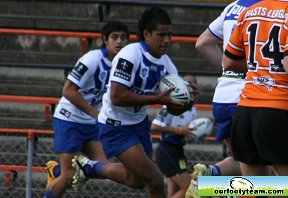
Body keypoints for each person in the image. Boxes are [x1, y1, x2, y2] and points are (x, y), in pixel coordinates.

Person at [71, 6, 199, 198]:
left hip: (139, 125)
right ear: (146, 34)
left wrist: (188, 100)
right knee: (156, 180)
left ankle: (89, 167)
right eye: (161, 35)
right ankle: (89, 167)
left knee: (137, 181)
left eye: (170, 35)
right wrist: (157, 98)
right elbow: (117, 97)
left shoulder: (166, 64)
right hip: (116, 127)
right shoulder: (130, 55)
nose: (167, 40)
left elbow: (174, 110)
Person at [44, 21, 129, 198]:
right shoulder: (92, 59)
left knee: (105, 166)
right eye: (115, 37)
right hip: (70, 119)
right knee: (69, 177)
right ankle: (60, 172)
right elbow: (67, 90)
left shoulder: (123, 63)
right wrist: (95, 114)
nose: (119, 42)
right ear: (105, 40)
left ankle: (57, 170)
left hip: (91, 122)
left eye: (123, 37)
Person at [185, 1, 261, 197]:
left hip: (223, 97)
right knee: (266, 175)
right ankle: (226, 191)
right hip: (251, 98)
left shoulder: (232, 6)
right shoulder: (278, 9)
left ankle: (210, 176)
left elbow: (202, 42)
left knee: (241, 161)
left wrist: (229, 70)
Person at [223, 0, 288, 185]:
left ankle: (211, 183)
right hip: (281, 108)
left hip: (246, 109)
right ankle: (213, 185)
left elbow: (229, 62)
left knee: (254, 188)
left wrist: (263, 70)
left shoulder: (250, 11)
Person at [151, 75, 198, 198]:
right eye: (187, 84)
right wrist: (178, 130)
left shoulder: (193, 110)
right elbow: (154, 127)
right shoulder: (170, 105)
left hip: (178, 151)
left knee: (174, 191)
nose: (190, 87)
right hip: (167, 151)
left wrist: (191, 134)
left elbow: (185, 131)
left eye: (193, 85)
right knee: (190, 189)